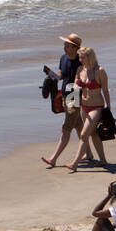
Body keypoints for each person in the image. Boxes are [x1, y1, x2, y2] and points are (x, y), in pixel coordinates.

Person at [42, 33, 84, 167]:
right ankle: (88, 153)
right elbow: (61, 75)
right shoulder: (63, 58)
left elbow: (81, 81)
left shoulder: (80, 61)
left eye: (66, 45)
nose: (64, 47)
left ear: (74, 47)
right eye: (64, 45)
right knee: (78, 126)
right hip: (65, 94)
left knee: (66, 128)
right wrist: (52, 76)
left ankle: (53, 159)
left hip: (74, 95)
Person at [68, 46, 110, 172]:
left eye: (82, 57)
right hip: (84, 106)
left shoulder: (100, 71)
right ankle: (103, 160)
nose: (79, 59)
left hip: (97, 107)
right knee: (93, 133)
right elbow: (75, 89)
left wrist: (109, 107)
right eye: (79, 56)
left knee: (83, 134)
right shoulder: (80, 69)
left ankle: (74, 163)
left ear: (89, 57)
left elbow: (105, 90)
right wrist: (72, 104)